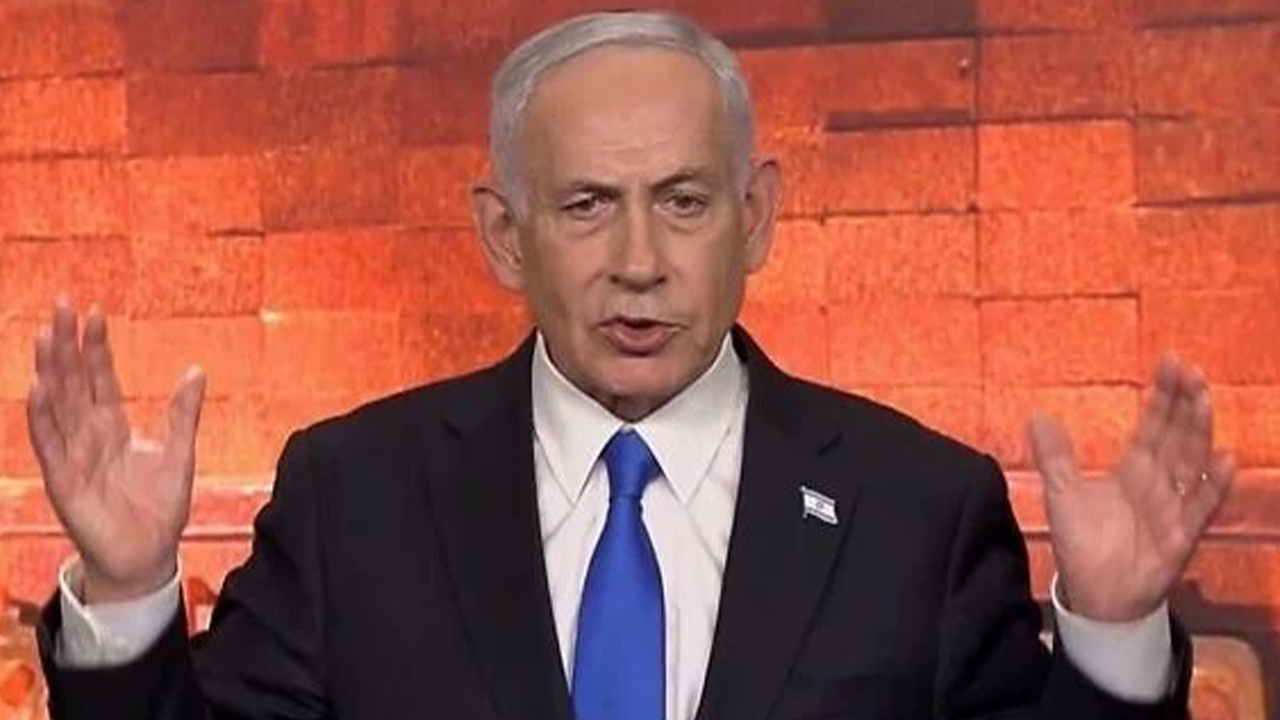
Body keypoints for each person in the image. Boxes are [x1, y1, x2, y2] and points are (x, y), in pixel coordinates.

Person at [25, 11, 1232, 720]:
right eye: (588, 205)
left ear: (755, 219)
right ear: (505, 235)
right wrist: (128, 595)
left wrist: (1111, 635)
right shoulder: (356, 496)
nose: (640, 262)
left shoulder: (915, 506)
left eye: (685, 202)